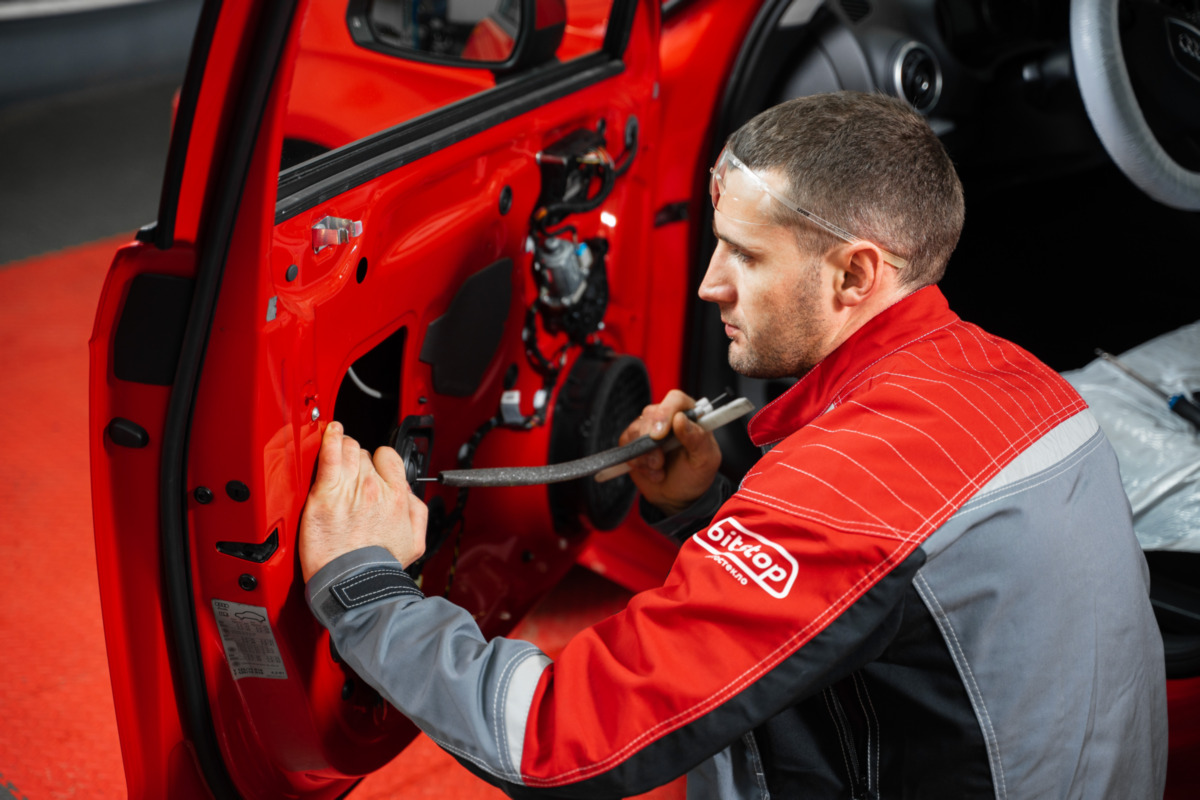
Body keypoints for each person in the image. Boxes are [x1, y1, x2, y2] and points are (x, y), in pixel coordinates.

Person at [300, 92, 1167, 798]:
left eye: (745, 255)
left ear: (855, 274)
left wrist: (366, 589)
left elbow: (554, 742)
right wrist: (707, 514)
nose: (709, 284)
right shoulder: (1024, 380)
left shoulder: (854, 486)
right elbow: (883, 611)